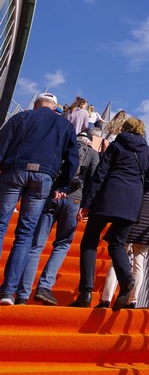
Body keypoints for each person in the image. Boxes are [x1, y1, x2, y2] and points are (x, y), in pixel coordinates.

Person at [0, 93, 79, 305]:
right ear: (54, 107)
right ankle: (8, 292)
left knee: (0, 226)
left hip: (13, 172)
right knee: (25, 235)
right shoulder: (65, 125)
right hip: (44, 177)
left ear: (36, 105)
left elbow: (2, 143)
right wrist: (62, 185)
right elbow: (73, 160)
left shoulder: (21, 117)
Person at [70, 116, 149, 309]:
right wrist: (135, 191)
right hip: (131, 203)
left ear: (124, 128)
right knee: (117, 245)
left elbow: (100, 174)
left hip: (107, 197)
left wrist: (87, 203)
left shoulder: (116, 146)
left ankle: (86, 293)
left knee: (89, 242)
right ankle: (126, 280)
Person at [16, 129, 100, 305]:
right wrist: (87, 205)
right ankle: (44, 287)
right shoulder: (92, 154)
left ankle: (22, 294)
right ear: (89, 142)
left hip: (52, 196)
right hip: (74, 200)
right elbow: (93, 180)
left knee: (36, 245)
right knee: (62, 244)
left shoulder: (63, 147)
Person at [97, 160, 149, 309]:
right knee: (139, 264)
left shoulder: (137, 178)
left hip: (129, 220)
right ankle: (132, 301)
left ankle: (106, 299)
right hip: (147, 226)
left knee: (116, 260)